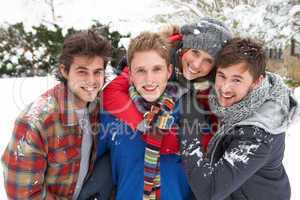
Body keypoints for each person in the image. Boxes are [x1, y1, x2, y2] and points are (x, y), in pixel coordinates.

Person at [180, 37, 298, 200]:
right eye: (222, 76)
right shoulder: (237, 101)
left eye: (236, 79)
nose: (225, 88)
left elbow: (209, 191)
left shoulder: (257, 134)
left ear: (257, 82)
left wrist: (189, 129)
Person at [1, 30, 112, 199]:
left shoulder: (96, 107)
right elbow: (21, 194)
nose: (91, 81)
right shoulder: (35, 123)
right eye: (82, 71)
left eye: (97, 72)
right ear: (65, 71)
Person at [96, 31, 192, 200]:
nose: (149, 80)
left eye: (157, 69)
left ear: (169, 71)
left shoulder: (190, 113)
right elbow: (86, 165)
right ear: (130, 75)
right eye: (141, 70)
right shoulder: (111, 117)